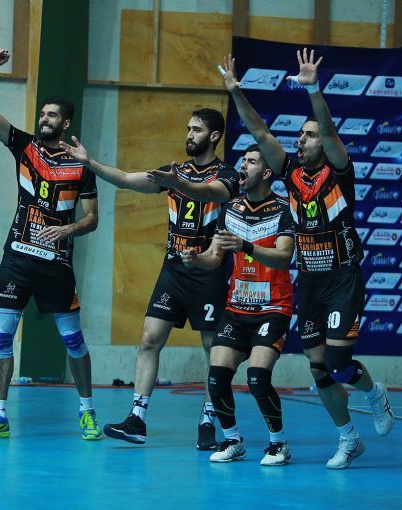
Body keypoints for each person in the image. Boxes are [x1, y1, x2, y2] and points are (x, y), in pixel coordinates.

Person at [220, 50, 395, 469]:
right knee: (319, 369)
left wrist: (313, 88)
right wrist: (236, 92)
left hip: (343, 278)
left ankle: (375, 394)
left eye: (310, 136)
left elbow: (329, 130)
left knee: (338, 363)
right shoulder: (290, 173)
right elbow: (260, 130)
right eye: (300, 135)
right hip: (311, 283)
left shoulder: (339, 171)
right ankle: (348, 438)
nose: (302, 140)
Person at [61, 111, 239, 448]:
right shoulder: (175, 172)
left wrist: (175, 183)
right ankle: (137, 418)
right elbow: (126, 179)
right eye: (188, 128)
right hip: (173, 271)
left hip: (208, 273)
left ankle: (208, 420)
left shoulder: (227, 175)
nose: (189, 134)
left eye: (197, 129)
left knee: (213, 350)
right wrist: (89, 162)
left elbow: (209, 194)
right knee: (148, 339)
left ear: (214, 136)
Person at [0, 49, 100, 440]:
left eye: (52, 115)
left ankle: (87, 411)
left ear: (66, 122)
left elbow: (92, 219)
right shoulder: (24, 147)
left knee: (73, 340)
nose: (44, 119)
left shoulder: (81, 165)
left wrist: (68, 230)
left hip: (56, 264)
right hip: (17, 259)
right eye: (42, 114)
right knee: (1, 335)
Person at [181, 145, 295, 465]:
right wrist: (196, 259)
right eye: (243, 160)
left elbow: (284, 257)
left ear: (267, 172)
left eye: (252, 162)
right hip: (236, 309)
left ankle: (279, 444)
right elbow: (214, 257)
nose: (243, 166)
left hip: (273, 308)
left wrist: (246, 246)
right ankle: (233, 440)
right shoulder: (230, 208)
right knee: (216, 376)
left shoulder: (283, 209)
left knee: (257, 376)